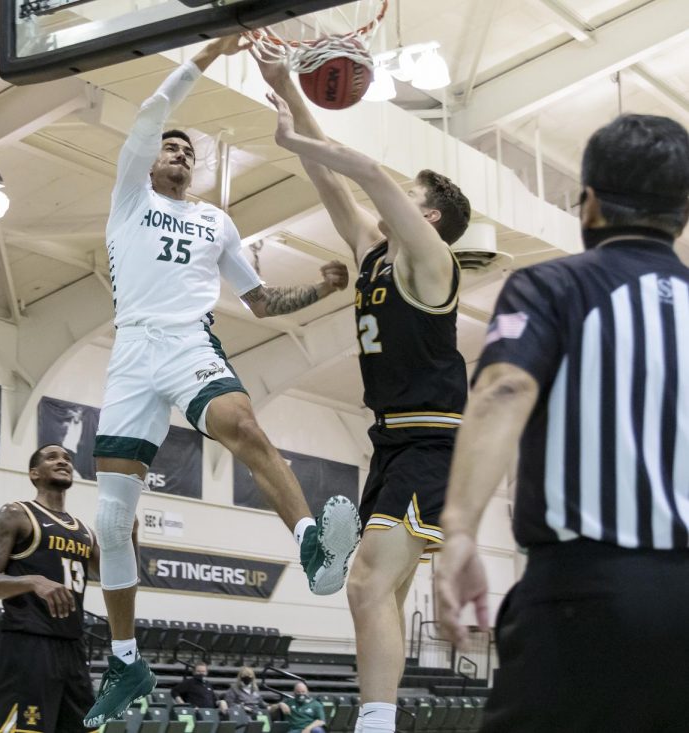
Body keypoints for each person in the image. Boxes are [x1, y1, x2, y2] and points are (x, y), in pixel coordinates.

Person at [84, 34, 361, 727]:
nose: (177, 152)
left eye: (187, 149)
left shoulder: (216, 221)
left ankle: (312, 544)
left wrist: (320, 289)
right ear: (150, 159)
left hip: (186, 343)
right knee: (112, 520)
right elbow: (149, 111)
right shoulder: (127, 198)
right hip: (130, 354)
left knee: (241, 424)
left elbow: (261, 302)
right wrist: (209, 54)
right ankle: (125, 659)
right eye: (169, 146)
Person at [436, 114, 689, 733]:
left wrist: (460, 530)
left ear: (591, 204)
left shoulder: (550, 286)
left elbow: (504, 387)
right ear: (682, 211)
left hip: (587, 595)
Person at [259, 62, 470, 733]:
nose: (393, 195)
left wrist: (298, 141)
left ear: (427, 215)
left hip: (432, 440)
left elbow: (369, 173)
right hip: (388, 440)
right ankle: (379, 717)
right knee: (381, 591)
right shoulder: (373, 251)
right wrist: (289, 90)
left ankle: (374, 724)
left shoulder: (433, 262)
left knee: (365, 582)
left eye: (411, 194)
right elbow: (333, 182)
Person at [0, 444, 113, 733]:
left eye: (67, 458)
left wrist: (133, 536)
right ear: (34, 473)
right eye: (52, 457)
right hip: (28, 642)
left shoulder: (84, 531)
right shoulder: (16, 514)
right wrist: (32, 581)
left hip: (73, 646)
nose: (63, 461)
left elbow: (120, 579)